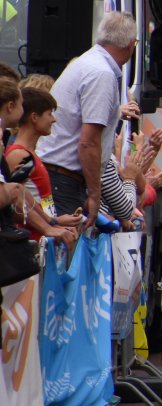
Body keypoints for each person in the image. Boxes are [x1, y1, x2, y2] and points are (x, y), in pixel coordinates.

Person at [37, 11, 137, 225]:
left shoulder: (86, 63)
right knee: (66, 253)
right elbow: (89, 142)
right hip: (63, 180)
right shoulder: (102, 73)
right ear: (130, 45)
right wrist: (94, 194)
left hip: (56, 175)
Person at [5, 87, 80, 246]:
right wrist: (48, 227)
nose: (53, 120)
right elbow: (11, 200)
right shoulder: (21, 156)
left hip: (43, 242)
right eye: (49, 114)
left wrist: (55, 222)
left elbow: (28, 197)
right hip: (30, 243)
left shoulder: (30, 155)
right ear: (34, 117)